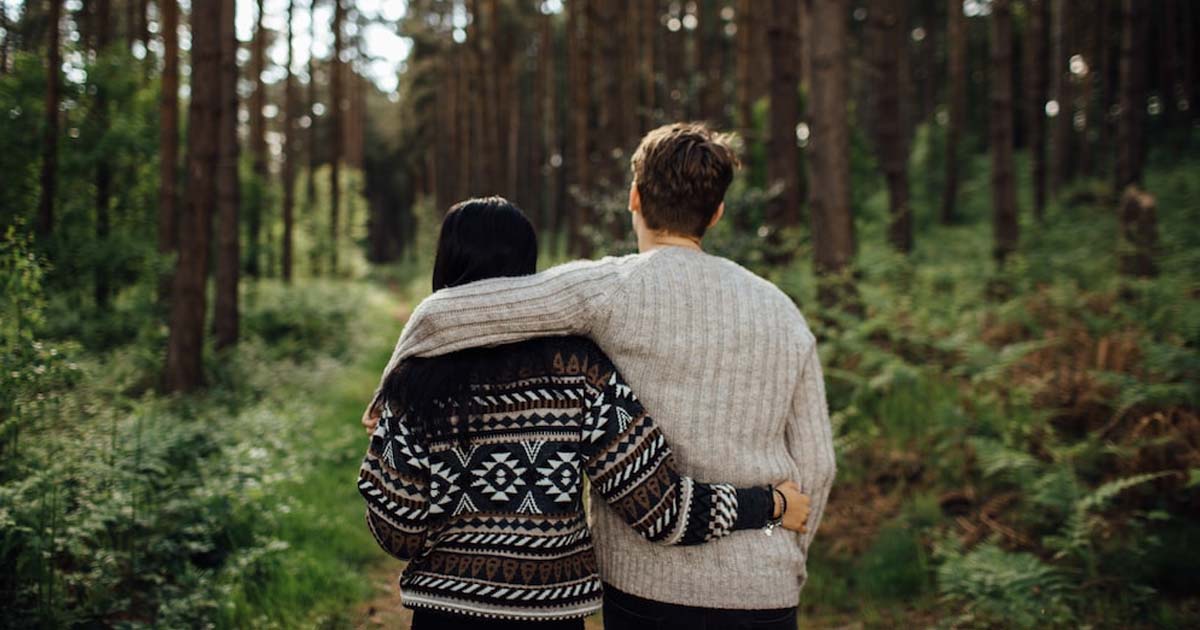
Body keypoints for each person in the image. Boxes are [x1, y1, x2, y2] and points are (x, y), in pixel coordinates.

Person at [363, 123, 837, 630]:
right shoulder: (780, 310)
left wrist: (397, 380)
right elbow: (816, 465)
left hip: (634, 591)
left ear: (634, 197)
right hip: (759, 587)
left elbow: (463, 308)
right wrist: (785, 545)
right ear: (718, 211)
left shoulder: (607, 289)